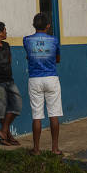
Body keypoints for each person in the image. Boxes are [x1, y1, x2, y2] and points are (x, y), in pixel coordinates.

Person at [23, 13, 63, 156]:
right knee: (54, 114)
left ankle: (36, 149)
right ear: (48, 26)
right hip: (51, 78)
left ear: (34, 25)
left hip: (34, 79)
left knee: (37, 116)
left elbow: (29, 55)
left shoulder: (26, 40)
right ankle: (55, 148)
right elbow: (57, 59)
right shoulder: (54, 40)